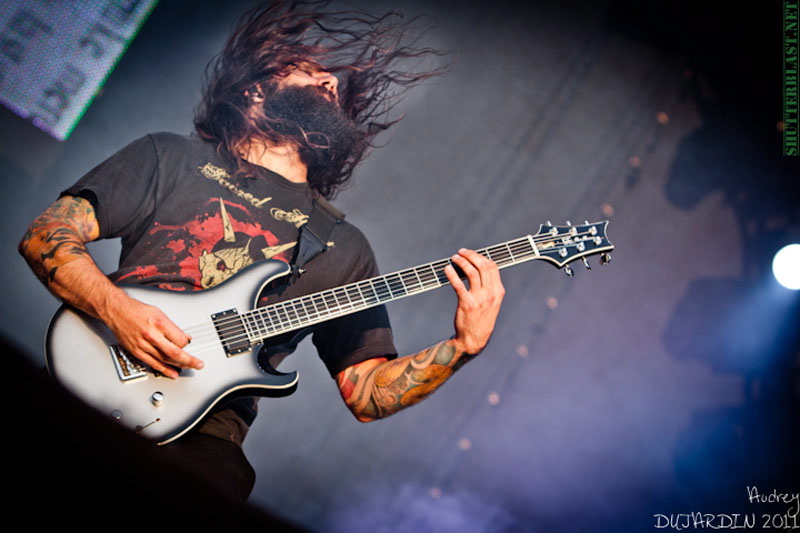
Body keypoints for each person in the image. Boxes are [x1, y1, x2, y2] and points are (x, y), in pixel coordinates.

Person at [18, 1, 505, 502]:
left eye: (332, 80)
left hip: (203, 440)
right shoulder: (170, 156)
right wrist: (118, 310)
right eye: (311, 70)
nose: (331, 83)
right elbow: (46, 235)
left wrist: (461, 347)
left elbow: (366, 392)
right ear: (255, 88)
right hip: (88, 376)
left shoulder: (342, 246)